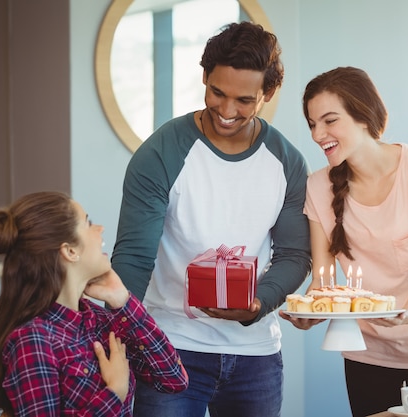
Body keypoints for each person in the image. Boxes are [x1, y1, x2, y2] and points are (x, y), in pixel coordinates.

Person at [111, 21, 311, 417]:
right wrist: (115, 338)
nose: (227, 110)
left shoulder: (286, 162)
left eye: (244, 100)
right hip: (169, 346)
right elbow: (134, 258)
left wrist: (257, 304)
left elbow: (293, 255)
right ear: (204, 75)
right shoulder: (161, 154)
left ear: (268, 94)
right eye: (217, 92)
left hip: (255, 354)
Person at [279, 67, 408, 417]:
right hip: (368, 354)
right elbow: (323, 277)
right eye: (312, 124)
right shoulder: (319, 186)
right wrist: (310, 309)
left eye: (329, 121)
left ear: (363, 115)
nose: (318, 134)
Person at [0, 191, 188, 417]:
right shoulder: (33, 341)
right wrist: (114, 393)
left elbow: (173, 378)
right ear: (70, 251)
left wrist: (123, 301)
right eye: (88, 223)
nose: (100, 230)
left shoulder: (101, 321)